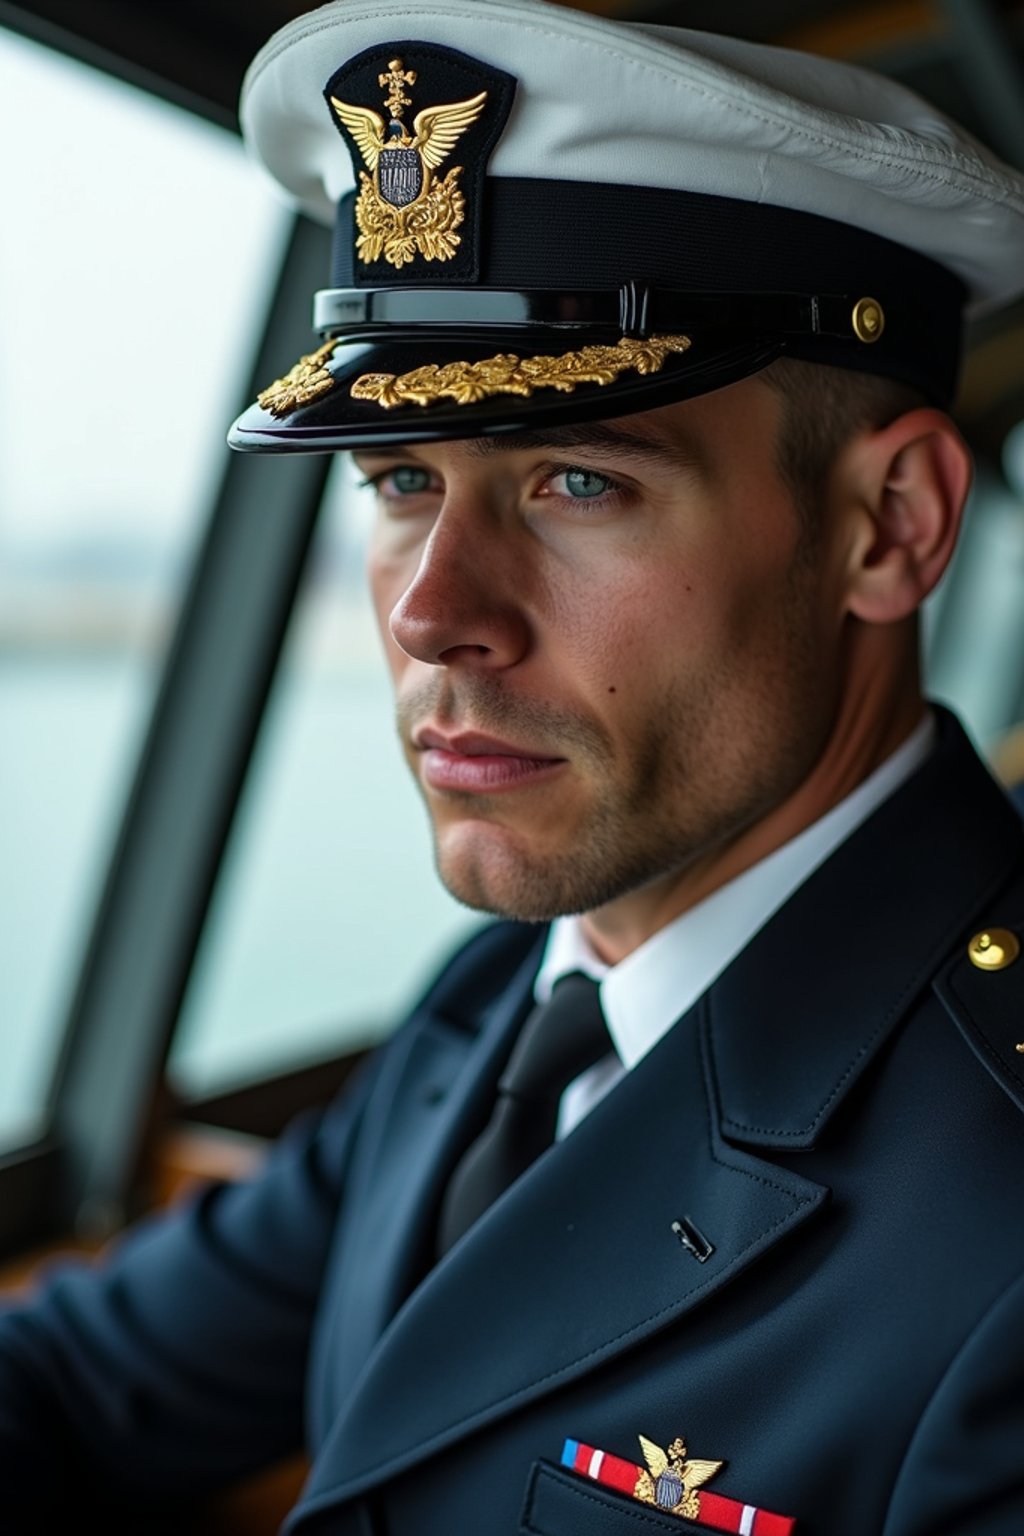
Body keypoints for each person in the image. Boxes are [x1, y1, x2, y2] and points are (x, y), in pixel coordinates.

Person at [3, 1, 1024, 1532]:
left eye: (577, 479)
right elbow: (79, 1383)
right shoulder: (497, 1012)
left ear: (891, 526)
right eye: (405, 479)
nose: (431, 612)